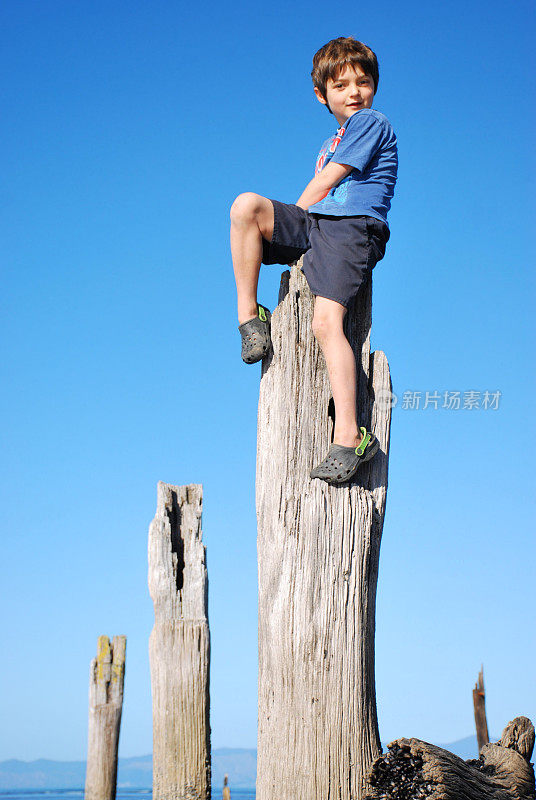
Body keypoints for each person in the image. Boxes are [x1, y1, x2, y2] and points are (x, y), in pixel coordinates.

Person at [230, 36, 398, 485]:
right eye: (341, 85)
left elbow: (328, 180)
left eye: (363, 81)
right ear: (322, 95)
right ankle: (250, 316)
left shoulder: (372, 122)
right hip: (318, 224)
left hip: (351, 228)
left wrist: (296, 216)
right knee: (246, 207)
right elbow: (320, 183)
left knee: (326, 322)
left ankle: (350, 435)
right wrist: (294, 221)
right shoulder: (330, 139)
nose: (355, 92)